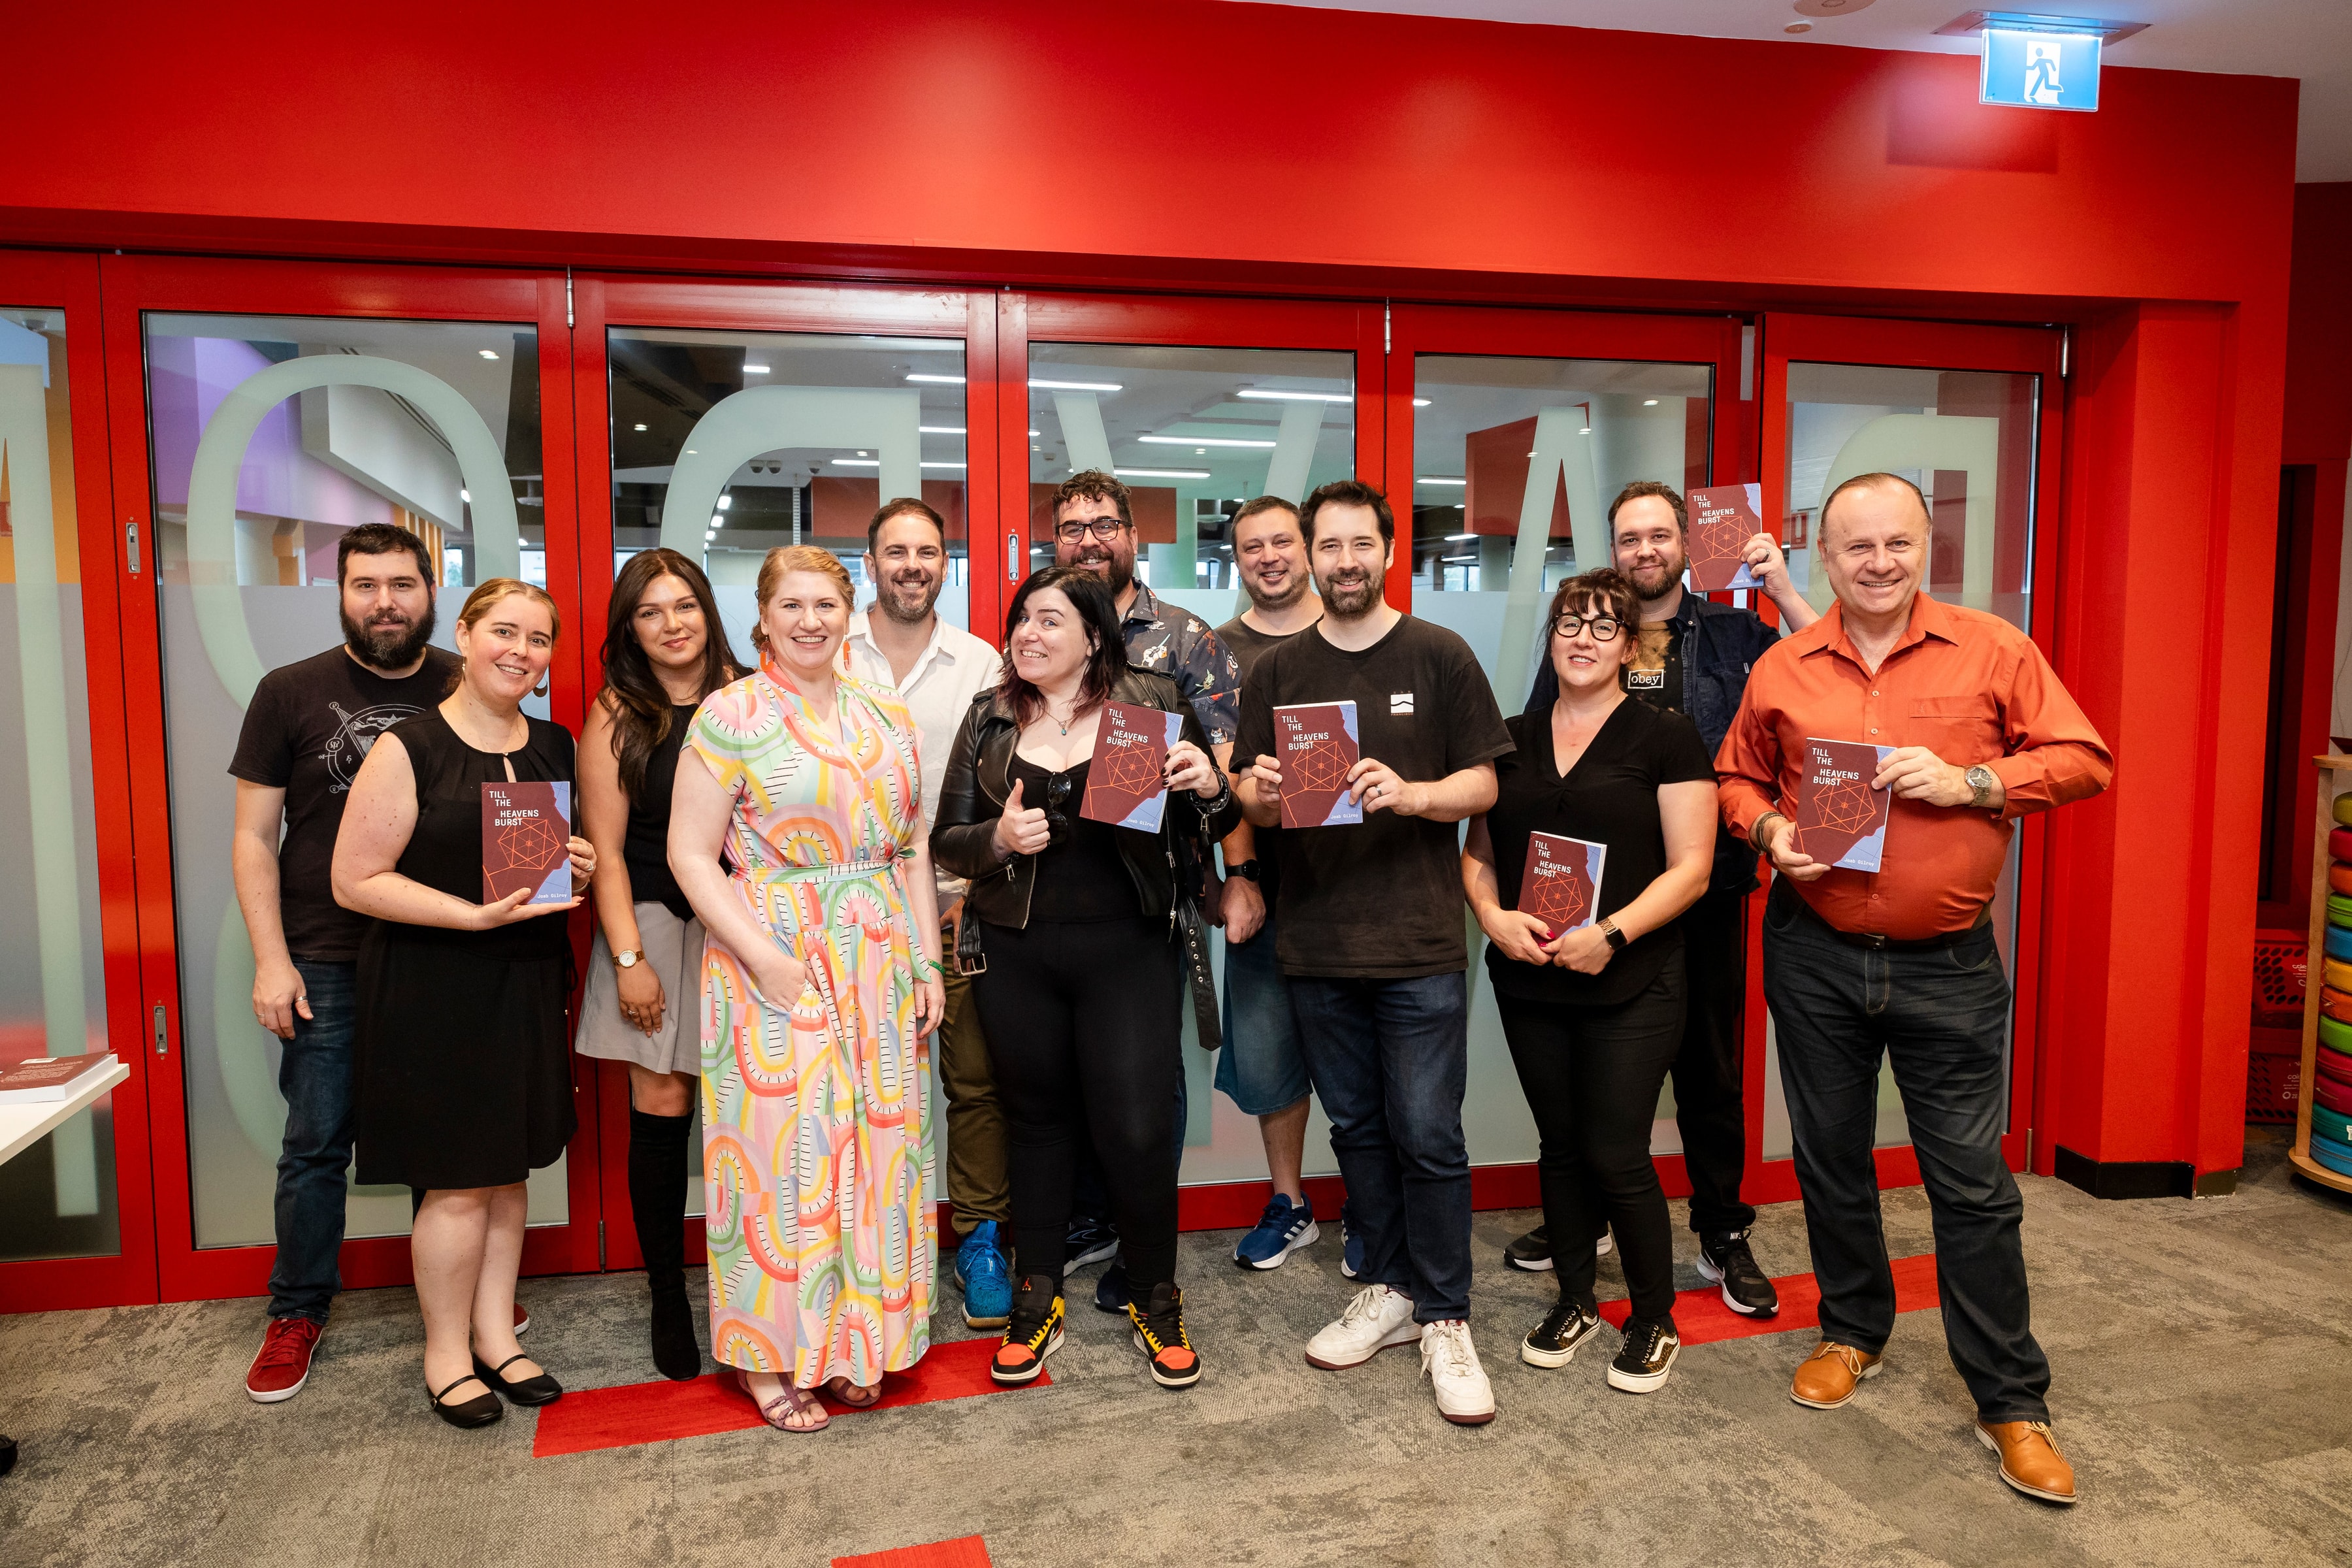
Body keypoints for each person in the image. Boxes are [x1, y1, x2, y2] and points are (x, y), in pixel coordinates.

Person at [1716, 472, 2112, 1505]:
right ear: (1825, 559)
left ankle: (2011, 1402)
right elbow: (1738, 777)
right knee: (1831, 1159)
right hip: (1814, 953)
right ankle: (1854, 1332)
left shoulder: (1994, 647)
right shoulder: (1784, 666)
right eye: (1857, 548)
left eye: (1896, 544)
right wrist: (1769, 831)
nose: (1879, 563)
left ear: (1924, 546)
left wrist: (1976, 781)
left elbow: (2084, 758)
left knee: (1971, 1186)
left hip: (1950, 967)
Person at [1233, 480, 1514, 1427]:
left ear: (1389, 552)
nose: (1344, 561)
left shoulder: (1440, 655)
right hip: (1317, 943)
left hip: (1420, 939)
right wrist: (1263, 790)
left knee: (1428, 1134)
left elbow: (1485, 781)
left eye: (1362, 544)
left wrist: (1413, 792)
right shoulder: (1277, 672)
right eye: (1330, 545)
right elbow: (1251, 798)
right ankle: (1391, 1289)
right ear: (1311, 554)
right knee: (1354, 1127)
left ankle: (1446, 1315)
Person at [1503, 480, 1817, 1316]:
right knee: (1591, 1073)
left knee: (1709, 1069)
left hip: (1705, 886)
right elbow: (1540, 754)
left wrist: (1782, 588)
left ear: (1686, 543)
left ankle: (1722, 1230)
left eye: (1659, 535)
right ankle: (1594, 1216)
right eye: (1629, 537)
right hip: (1591, 900)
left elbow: (1830, 676)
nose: (1645, 550)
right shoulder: (1586, 636)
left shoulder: (1732, 635)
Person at [930, 566, 1235, 1392]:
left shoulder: (1152, 704)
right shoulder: (990, 715)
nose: (1027, 634)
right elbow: (946, 843)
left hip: (1128, 949)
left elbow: (1219, 816)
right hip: (1017, 952)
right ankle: (1037, 1299)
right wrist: (996, 839)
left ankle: (1155, 1297)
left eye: (1048, 621)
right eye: (1020, 620)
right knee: (1036, 1124)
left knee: (1135, 1128)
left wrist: (1212, 787)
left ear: (1094, 635)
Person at [668, 546, 945, 1434]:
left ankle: (855, 1341)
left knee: (876, 1153)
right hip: (770, 961)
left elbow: (909, 849)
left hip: (876, 961)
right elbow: (688, 856)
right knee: (785, 1157)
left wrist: (926, 960)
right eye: (793, 604)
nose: (811, 620)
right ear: (764, 617)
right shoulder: (731, 714)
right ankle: (772, 1360)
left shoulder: (883, 712)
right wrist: (768, 960)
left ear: (848, 611)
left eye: (826, 603)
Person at [333, 578, 594, 1429]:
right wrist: (469, 915)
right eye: (504, 632)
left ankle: (496, 1336)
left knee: (507, 1170)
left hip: (522, 980)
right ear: (468, 635)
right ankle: (445, 1353)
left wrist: (575, 868)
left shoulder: (554, 744)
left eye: (538, 638)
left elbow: (542, 868)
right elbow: (354, 880)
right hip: (432, 985)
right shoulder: (409, 748)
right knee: (453, 1186)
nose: (521, 650)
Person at [231, 523, 480, 1404]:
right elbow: (255, 840)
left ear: (433, 588)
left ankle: (454, 1317)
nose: (386, 602)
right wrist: (272, 961)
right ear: (338, 591)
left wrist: (559, 864)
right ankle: (297, 1311)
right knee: (315, 1145)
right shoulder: (289, 692)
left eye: (403, 584)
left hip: (444, 951)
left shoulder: (469, 678)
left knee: (442, 1143)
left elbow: (515, 812)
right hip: (328, 954)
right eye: (367, 584)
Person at [1462, 569, 1716, 1394]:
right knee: (1561, 1147)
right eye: (1570, 622)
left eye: (1604, 627)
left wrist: (1611, 933)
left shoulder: (1666, 737)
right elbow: (1477, 856)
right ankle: (1574, 1298)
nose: (1582, 638)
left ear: (1632, 645)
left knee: (1615, 1150)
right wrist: (1495, 920)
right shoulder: (1509, 735)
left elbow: (1694, 869)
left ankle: (1652, 1317)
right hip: (1531, 976)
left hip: (1631, 976)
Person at [1050, 468, 1243, 1309]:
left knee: (1145, 1080)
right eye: (1071, 527)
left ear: (1134, 536)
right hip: (1058, 892)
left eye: (1103, 525)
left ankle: (1142, 1242)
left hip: (1151, 895)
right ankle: (1091, 1216)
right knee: (1073, 1070)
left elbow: (1224, 777)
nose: (1088, 540)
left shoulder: (1187, 640)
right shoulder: (1041, 629)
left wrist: (1235, 856)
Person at [576, 548, 745, 1380]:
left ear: (708, 610)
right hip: (651, 921)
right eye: (650, 611)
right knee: (665, 1104)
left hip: (744, 922)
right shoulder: (616, 712)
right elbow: (604, 850)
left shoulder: (754, 695)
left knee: (755, 1109)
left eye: (684, 606)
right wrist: (629, 958)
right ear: (629, 629)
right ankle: (667, 1293)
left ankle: (752, 1287)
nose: (672, 624)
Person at [838, 498, 1007, 1330]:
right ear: (870, 562)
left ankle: (979, 1239)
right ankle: (871, 1248)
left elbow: (997, 791)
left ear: (947, 563)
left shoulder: (981, 663)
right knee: (864, 1091)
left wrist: (963, 893)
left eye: (928, 551)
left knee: (973, 1085)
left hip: (962, 906)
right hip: (853, 915)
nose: (912, 564)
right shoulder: (828, 652)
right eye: (895, 551)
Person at [1211, 496, 1345, 1271]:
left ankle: (1374, 1200)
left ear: (1309, 550)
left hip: (1359, 889)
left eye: (1281, 543)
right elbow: (1216, 782)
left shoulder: (1358, 637)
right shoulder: (1217, 652)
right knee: (1268, 1054)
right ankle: (1290, 1201)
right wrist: (1241, 875)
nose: (1268, 557)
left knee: (1369, 1057)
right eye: (1250, 547)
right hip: (1262, 885)